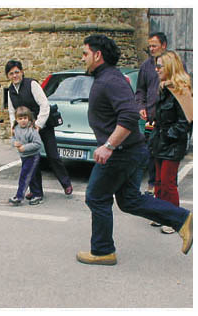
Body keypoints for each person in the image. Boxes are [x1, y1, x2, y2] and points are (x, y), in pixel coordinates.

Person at [76, 34, 192, 265]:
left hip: (121, 153)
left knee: (96, 197)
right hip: (131, 151)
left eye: (85, 53)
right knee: (130, 200)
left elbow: (129, 116)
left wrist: (109, 145)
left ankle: (102, 251)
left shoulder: (110, 79)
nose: (83, 58)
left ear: (98, 55)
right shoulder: (108, 78)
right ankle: (182, 219)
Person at [6, 60, 73, 203]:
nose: (15, 75)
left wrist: (38, 124)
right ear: (8, 76)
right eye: (11, 73)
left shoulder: (32, 85)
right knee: (31, 158)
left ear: (22, 72)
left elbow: (44, 105)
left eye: (17, 72)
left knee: (53, 156)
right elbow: (12, 111)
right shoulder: (10, 91)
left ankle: (66, 184)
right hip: (27, 128)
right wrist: (13, 126)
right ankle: (36, 191)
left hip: (43, 125)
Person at [150, 51, 192, 234]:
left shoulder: (181, 90)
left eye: (160, 66)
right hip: (161, 141)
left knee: (168, 183)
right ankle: (161, 215)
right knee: (159, 182)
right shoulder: (164, 88)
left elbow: (185, 122)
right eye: (156, 65)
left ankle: (175, 219)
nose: (156, 69)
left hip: (173, 144)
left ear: (170, 67)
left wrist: (167, 135)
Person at [135, 32, 168, 198]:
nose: (151, 49)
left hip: (168, 119)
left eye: (154, 45)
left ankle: (166, 185)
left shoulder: (174, 64)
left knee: (166, 154)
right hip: (151, 119)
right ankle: (152, 184)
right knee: (151, 152)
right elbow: (140, 90)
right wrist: (141, 106)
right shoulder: (146, 66)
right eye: (150, 46)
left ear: (164, 45)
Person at [8, 106, 44, 206]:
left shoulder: (31, 129)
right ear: (16, 119)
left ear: (29, 118)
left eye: (25, 118)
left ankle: (19, 197)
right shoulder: (16, 128)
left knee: (24, 176)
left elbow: (38, 144)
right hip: (24, 156)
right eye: (20, 118)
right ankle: (37, 194)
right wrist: (14, 143)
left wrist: (24, 147)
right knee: (32, 176)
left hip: (32, 156)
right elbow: (13, 138)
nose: (23, 121)